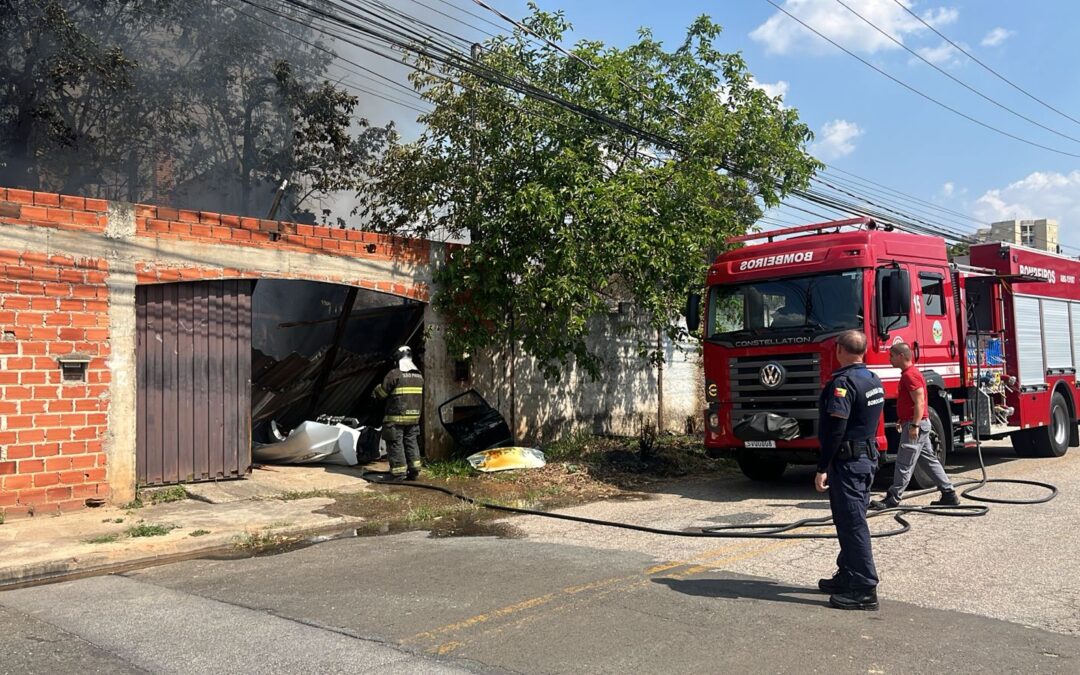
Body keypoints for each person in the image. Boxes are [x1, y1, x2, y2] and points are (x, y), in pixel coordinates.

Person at [815, 330, 885, 611]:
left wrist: (822, 467)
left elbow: (836, 429)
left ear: (840, 350)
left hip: (849, 462)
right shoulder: (872, 379)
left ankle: (864, 589)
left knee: (853, 523)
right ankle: (847, 574)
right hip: (866, 459)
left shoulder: (843, 383)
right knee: (849, 520)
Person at [869, 343, 959, 510]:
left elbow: (919, 402)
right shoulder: (909, 374)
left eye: (892, 356)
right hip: (913, 422)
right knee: (929, 461)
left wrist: (914, 425)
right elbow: (913, 403)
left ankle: (893, 499)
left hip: (915, 424)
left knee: (904, 463)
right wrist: (902, 419)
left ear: (901, 356)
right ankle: (949, 494)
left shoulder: (910, 376)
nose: (890, 360)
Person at [373, 345, 424, 480]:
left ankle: (399, 473)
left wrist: (376, 389)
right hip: (414, 418)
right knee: (411, 442)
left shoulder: (394, 374)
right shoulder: (419, 375)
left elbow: (382, 394)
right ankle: (414, 470)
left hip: (396, 418)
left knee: (396, 443)